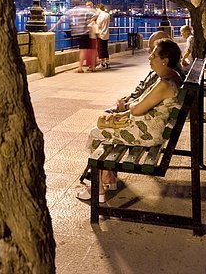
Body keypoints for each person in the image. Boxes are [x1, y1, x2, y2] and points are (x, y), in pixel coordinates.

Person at [77, 38, 183, 203]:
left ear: (165, 61)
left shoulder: (164, 84)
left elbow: (138, 109)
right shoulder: (172, 76)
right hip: (151, 127)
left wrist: (130, 106)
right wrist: (128, 110)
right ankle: (109, 177)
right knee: (107, 128)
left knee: (96, 133)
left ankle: (98, 188)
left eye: (153, 55)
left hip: (149, 133)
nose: (149, 58)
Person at [106, 30, 170, 113]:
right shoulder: (163, 74)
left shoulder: (164, 80)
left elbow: (140, 106)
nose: (149, 56)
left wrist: (126, 106)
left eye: (153, 52)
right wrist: (126, 100)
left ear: (164, 59)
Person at [50, 0, 96, 72]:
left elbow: (61, 20)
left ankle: (80, 67)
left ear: (72, 3)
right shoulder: (85, 10)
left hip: (76, 32)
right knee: (91, 49)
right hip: (86, 32)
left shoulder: (70, 11)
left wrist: (52, 28)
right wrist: (91, 21)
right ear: (80, 3)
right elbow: (95, 14)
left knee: (82, 50)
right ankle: (92, 66)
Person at [95, 3, 111, 68]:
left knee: (100, 49)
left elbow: (98, 25)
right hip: (106, 34)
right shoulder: (107, 15)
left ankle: (102, 63)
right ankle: (107, 62)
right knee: (105, 49)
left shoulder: (100, 16)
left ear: (99, 8)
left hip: (100, 34)